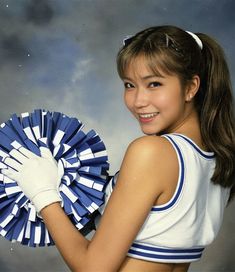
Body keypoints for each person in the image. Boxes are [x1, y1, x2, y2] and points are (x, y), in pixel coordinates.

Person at [2, 25, 235, 272]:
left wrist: (43, 195)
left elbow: (93, 268)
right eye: (129, 85)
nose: (138, 101)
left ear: (191, 87)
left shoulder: (153, 152)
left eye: (154, 84)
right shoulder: (214, 157)